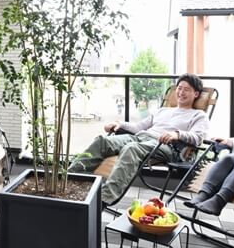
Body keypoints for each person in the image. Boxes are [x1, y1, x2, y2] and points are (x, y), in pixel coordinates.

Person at [68, 73, 210, 205]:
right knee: (102, 141)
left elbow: (198, 137)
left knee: (131, 149)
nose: (181, 92)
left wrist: (177, 134)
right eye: (179, 88)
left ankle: (104, 199)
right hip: (140, 137)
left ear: (196, 94)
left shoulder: (198, 115)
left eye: (187, 89)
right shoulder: (163, 111)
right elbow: (138, 127)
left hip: (165, 145)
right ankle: (69, 178)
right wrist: (119, 124)